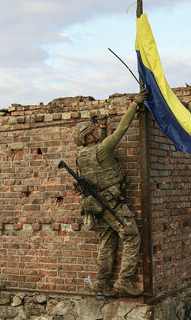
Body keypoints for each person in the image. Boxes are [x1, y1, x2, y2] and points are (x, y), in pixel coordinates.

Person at [71, 88, 147, 297]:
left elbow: (102, 147)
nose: (97, 132)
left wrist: (103, 126)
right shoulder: (102, 149)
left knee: (107, 243)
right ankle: (124, 281)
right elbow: (122, 128)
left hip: (97, 206)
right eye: (94, 131)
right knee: (131, 236)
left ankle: (102, 283)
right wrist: (135, 104)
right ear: (88, 137)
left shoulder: (82, 156)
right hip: (112, 204)